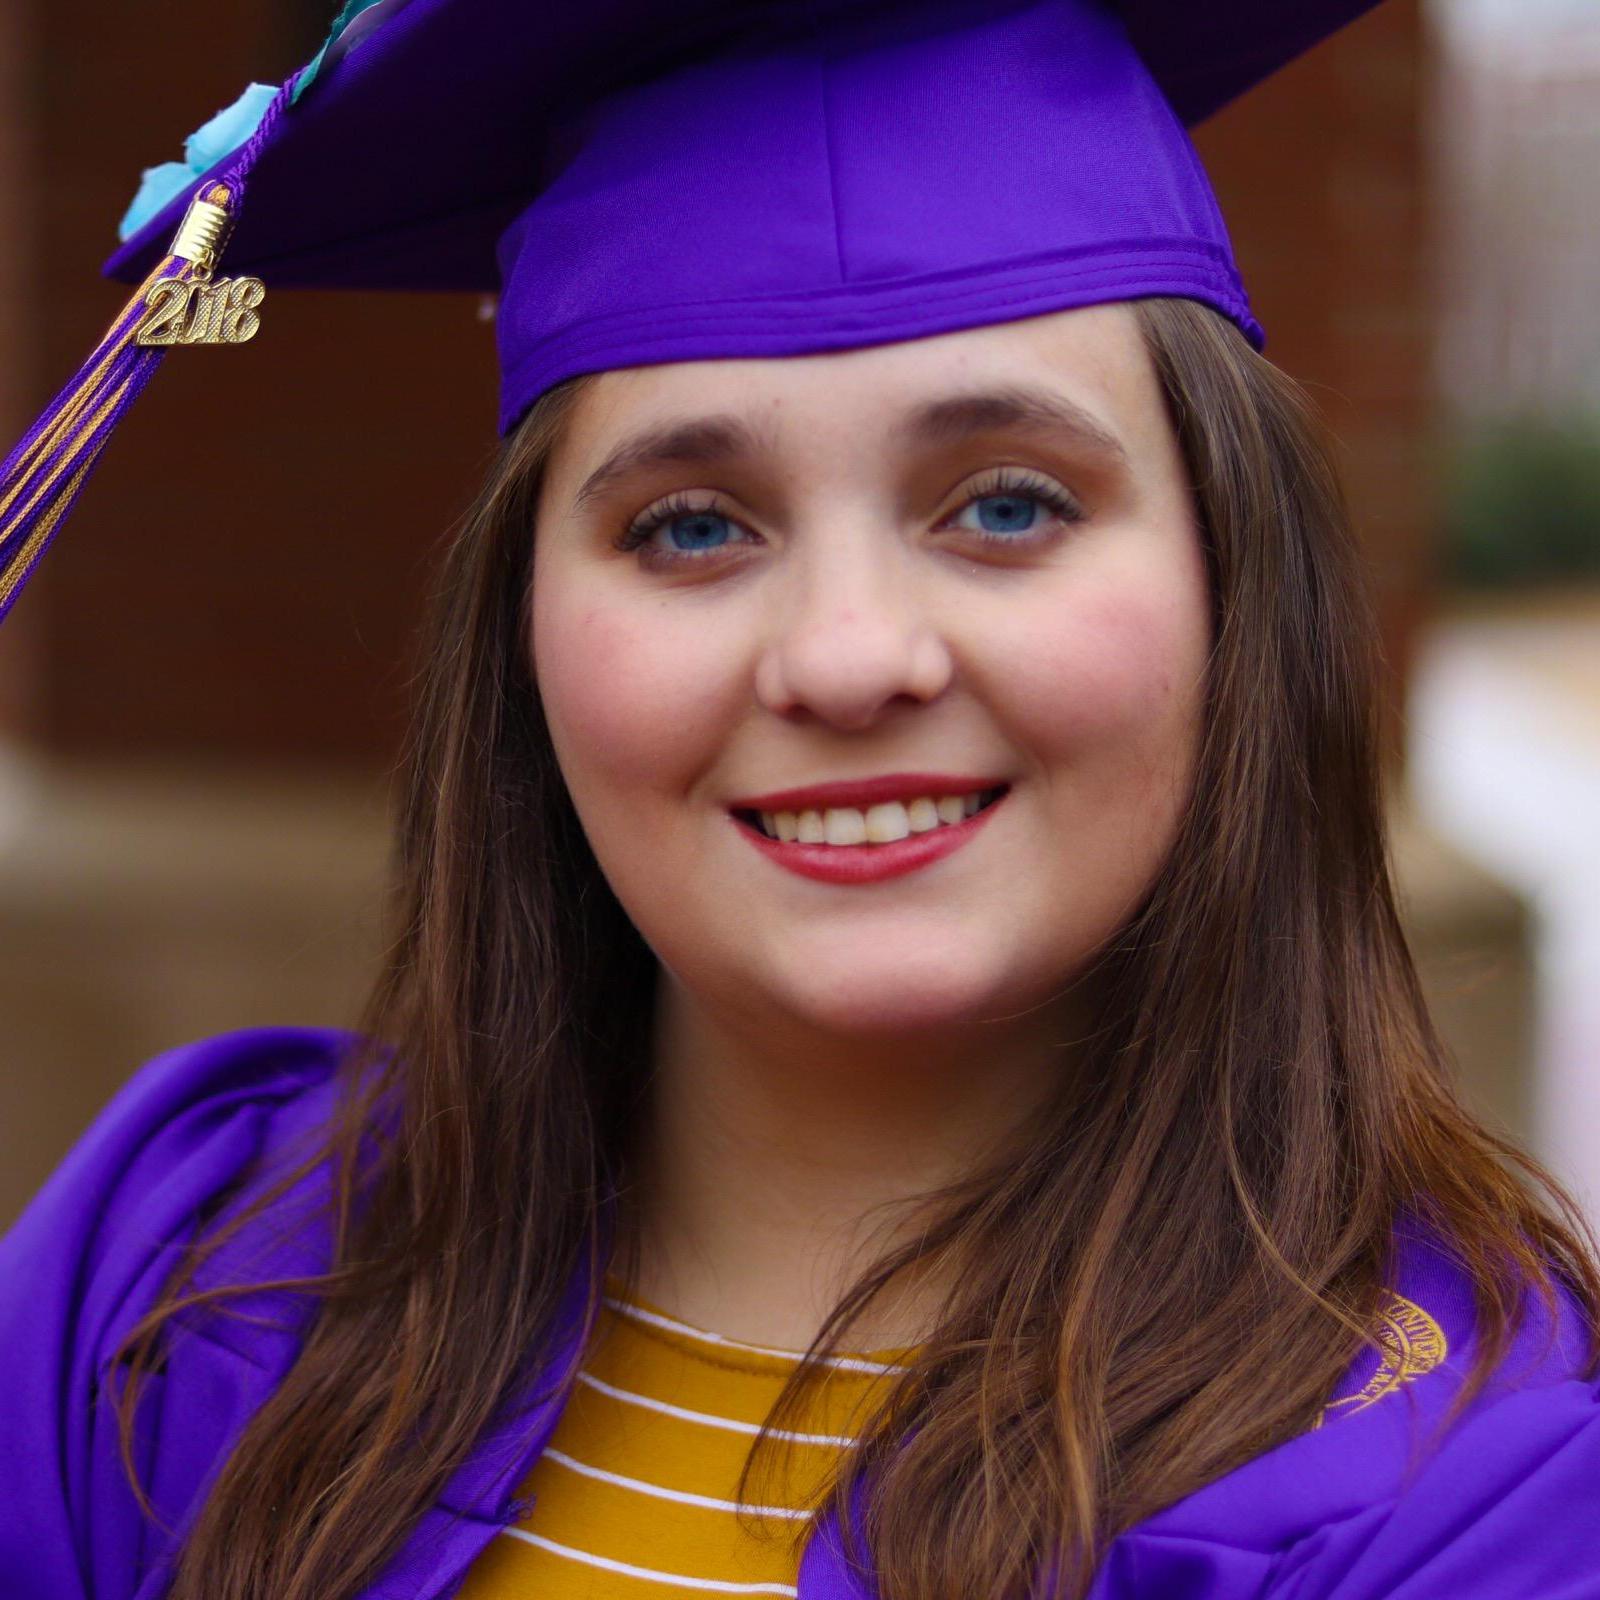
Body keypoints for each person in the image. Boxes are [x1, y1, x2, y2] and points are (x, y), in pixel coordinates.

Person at [1, 2, 1598, 1598]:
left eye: (1008, 505)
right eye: (692, 528)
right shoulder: (168, 1296)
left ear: (1237, 585)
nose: (846, 659)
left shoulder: (1471, 1490)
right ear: (522, 639)